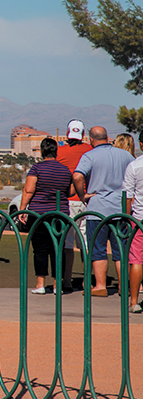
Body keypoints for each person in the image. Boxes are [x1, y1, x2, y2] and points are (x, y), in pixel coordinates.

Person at [73, 125, 134, 296]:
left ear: (91, 139)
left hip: (97, 209)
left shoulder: (90, 155)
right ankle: (124, 285)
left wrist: (83, 195)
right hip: (120, 208)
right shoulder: (125, 155)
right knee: (120, 249)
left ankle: (100, 285)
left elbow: (77, 176)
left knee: (98, 248)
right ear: (108, 137)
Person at [20, 137, 74, 294]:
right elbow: (69, 191)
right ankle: (58, 285)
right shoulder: (65, 170)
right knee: (58, 248)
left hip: (39, 213)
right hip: (60, 213)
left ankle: (40, 284)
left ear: (42, 152)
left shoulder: (37, 168)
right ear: (56, 152)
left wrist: (23, 208)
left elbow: (29, 190)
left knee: (40, 248)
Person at [58, 119, 93, 287]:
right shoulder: (90, 150)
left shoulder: (60, 152)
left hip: (68, 202)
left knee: (67, 243)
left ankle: (66, 280)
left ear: (67, 134)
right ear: (83, 135)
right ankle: (87, 280)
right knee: (86, 243)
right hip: (87, 200)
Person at [122, 148, 143, 314]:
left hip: (139, 219)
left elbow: (127, 196)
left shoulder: (135, 166)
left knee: (136, 259)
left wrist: (127, 217)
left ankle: (134, 301)